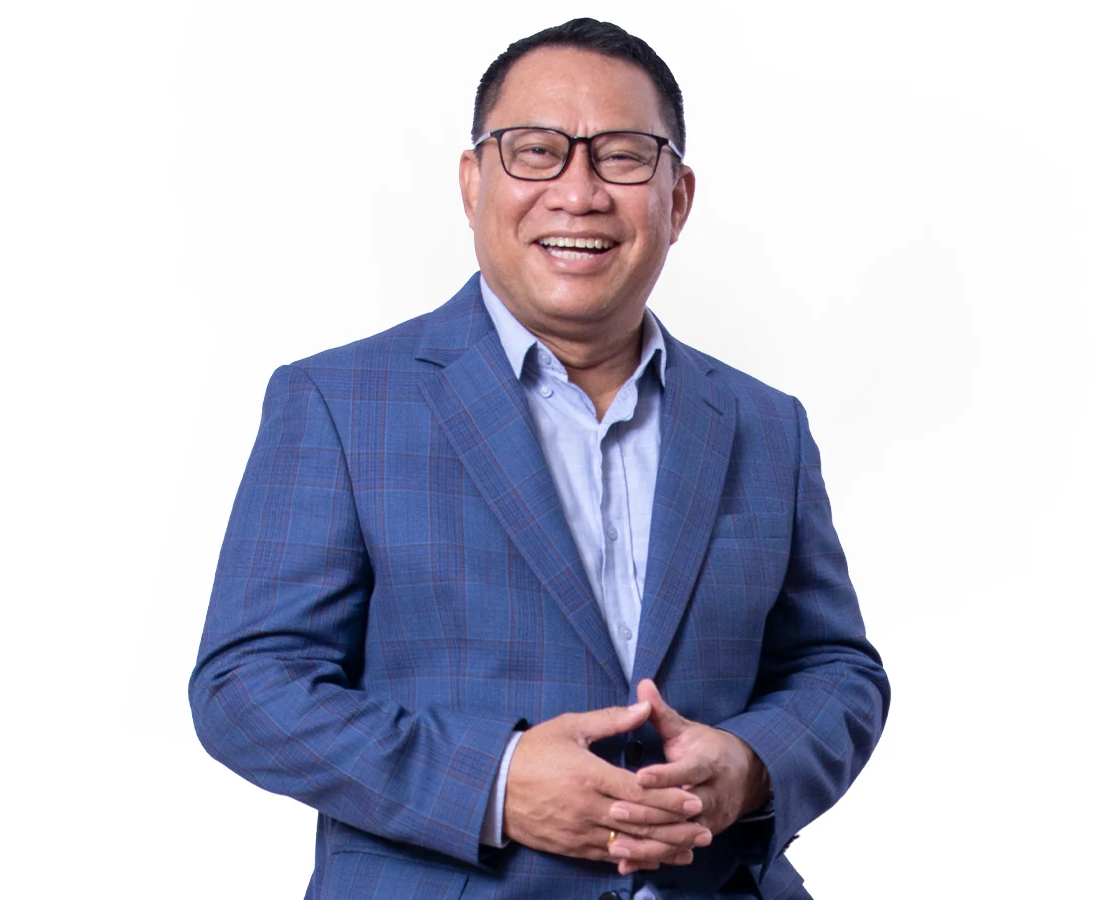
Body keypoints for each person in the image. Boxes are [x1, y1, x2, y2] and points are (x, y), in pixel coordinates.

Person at [189, 18, 889, 900]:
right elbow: (246, 686)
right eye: (536, 152)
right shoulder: (339, 402)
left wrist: (750, 766)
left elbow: (836, 671)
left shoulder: (763, 425)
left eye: (623, 157)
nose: (579, 193)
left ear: (677, 199)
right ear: (473, 182)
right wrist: (494, 784)